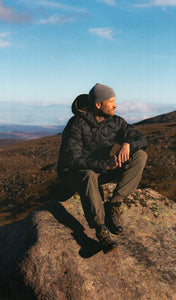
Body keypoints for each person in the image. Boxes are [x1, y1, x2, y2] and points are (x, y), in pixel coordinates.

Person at [57, 83, 147, 253]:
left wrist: (128, 143)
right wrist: (104, 165)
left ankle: (114, 204)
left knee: (140, 155)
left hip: (102, 170)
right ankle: (101, 229)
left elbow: (141, 138)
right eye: (111, 101)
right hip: (75, 175)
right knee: (89, 174)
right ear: (98, 104)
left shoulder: (116, 122)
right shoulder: (76, 124)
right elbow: (72, 159)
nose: (115, 105)